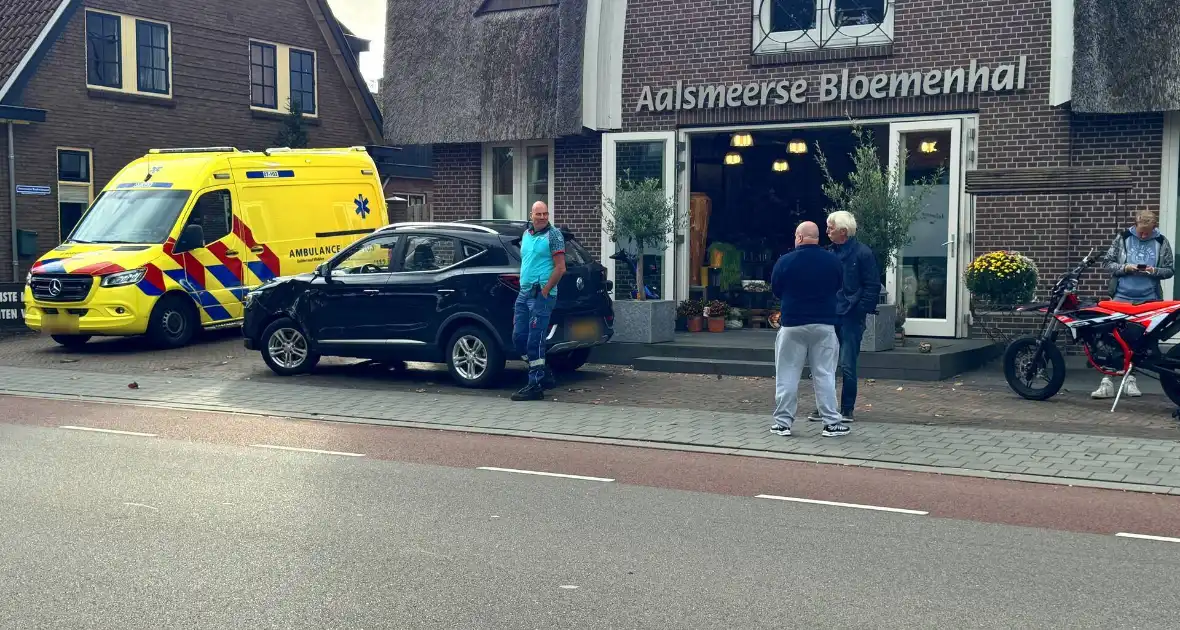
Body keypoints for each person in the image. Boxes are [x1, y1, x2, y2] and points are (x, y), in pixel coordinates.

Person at [769, 221, 850, 438]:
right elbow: (838, 286)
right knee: (824, 374)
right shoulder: (832, 261)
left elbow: (776, 290)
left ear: (799, 237)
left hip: (792, 324)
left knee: (787, 373)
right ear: (817, 238)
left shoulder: (785, 261)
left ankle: (782, 423)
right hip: (824, 323)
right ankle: (831, 422)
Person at [1092, 209, 1175, 399]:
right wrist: (1125, 268)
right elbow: (1107, 263)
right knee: (1112, 337)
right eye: (1140, 231)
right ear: (1135, 225)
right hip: (1121, 296)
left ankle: (1130, 379)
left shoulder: (1161, 242)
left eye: (1147, 232)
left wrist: (1154, 271)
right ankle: (1107, 381)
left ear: (1155, 227)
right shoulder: (1123, 238)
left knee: (1140, 341)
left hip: (1149, 299)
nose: (1143, 235)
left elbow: (1170, 270)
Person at [808, 210, 879, 422]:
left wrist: (860, 310)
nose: (827, 230)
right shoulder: (827, 253)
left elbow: (872, 285)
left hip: (851, 316)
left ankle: (847, 408)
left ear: (843, 231)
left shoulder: (863, 253)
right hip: (831, 314)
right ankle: (825, 407)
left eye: (830, 227)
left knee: (847, 364)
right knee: (825, 364)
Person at [511, 201, 566, 402]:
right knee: (518, 338)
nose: (542, 217)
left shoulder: (554, 235)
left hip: (541, 296)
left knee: (535, 340)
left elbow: (560, 268)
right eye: (538, 214)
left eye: (545, 214)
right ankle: (542, 371)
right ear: (531, 215)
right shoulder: (526, 234)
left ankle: (535, 385)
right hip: (524, 294)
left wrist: (545, 291)